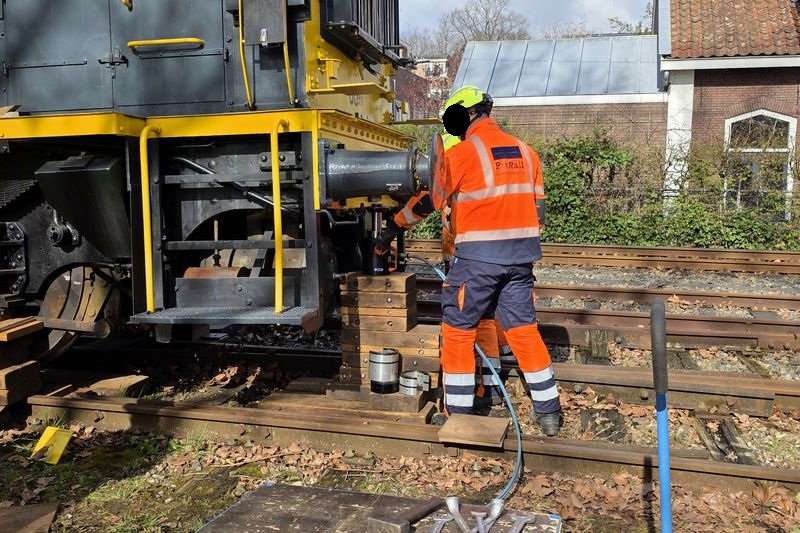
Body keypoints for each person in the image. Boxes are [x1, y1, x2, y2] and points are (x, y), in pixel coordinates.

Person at [431, 85, 562, 436]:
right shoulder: (527, 153)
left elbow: (435, 198)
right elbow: (539, 214)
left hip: (477, 262)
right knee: (523, 331)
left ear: (466, 115)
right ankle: (549, 413)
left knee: (458, 332)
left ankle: (458, 415)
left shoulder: (462, 153)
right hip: (520, 261)